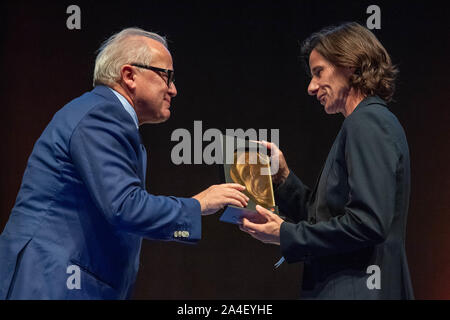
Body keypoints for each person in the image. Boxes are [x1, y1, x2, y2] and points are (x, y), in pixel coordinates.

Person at [0, 28, 248, 299]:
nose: (173, 90)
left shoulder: (106, 117)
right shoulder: (101, 116)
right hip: (52, 283)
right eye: (167, 76)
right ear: (129, 75)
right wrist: (198, 204)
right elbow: (124, 207)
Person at [239, 22, 414, 299]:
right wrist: (284, 178)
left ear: (350, 65)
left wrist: (285, 234)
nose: (311, 87)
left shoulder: (366, 122)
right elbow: (326, 216)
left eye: (318, 72)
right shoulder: (364, 123)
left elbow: (367, 223)